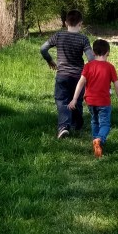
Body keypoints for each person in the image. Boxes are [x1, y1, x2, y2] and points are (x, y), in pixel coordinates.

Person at [40, 9, 94, 138]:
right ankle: (77, 124)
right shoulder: (83, 39)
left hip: (62, 75)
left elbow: (43, 48)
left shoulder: (59, 36)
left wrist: (50, 60)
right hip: (78, 76)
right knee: (77, 100)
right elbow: (91, 59)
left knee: (62, 100)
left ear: (65, 23)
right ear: (81, 23)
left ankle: (64, 126)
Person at [68, 39, 118, 157]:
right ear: (108, 52)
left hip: (90, 101)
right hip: (104, 102)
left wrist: (74, 99)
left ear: (93, 53)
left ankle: (96, 145)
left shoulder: (88, 66)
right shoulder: (110, 67)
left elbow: (81, 83)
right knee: (105, 124)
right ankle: (99, 140)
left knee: (94, 121)